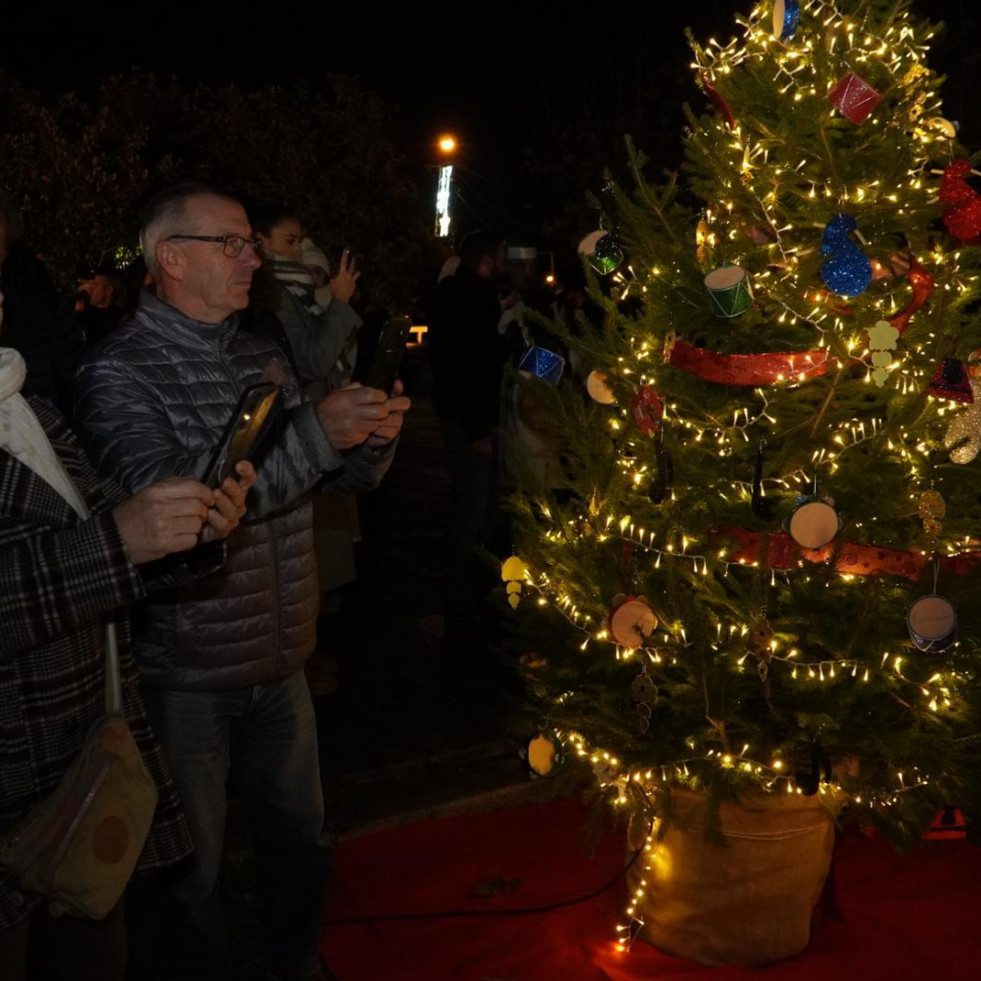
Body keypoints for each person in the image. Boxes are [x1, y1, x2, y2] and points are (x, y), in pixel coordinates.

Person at [74, 183, 409, 981]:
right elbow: (185, 516)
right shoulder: (116, 373)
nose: (252, 257)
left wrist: (368, 438)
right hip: (188, 674)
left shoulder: (257, 352)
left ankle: (296, 964)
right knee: (192, 872)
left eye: (251, 243)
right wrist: (319, 439)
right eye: (232, 243)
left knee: (301, 844)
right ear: (172, 259)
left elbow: (333, 479)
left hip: (282, 655)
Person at [0, 284, 255, 981]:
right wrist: (117, 543)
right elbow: (100, 545)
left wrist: (188, 530)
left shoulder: (23, 400)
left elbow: (99, 516)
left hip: (79, 764)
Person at [428, 230, 512, 619]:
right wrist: (478, 428)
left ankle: (461, 584)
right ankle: (462, 591)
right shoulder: (472, 298)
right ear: (487, 260)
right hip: (469, 420)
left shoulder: (454, 291)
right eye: (501, 256)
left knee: (469, 502)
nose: (505, 264)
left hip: (456, 415)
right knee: (473, 509)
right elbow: (470, 368)